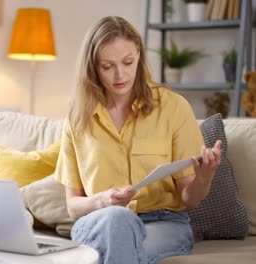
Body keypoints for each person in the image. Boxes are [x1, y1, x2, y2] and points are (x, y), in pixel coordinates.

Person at [54, 16, 221, 264]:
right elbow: (73, 206)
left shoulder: (173, 107)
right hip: (99, 221)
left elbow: (191, 199)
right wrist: (102, 200)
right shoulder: (77, 118)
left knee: (117, 241)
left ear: (139, 57)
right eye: (107, 66)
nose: (120, 74)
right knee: (117, 221)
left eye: (128, 62)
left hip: (164, 224)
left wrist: (205, 176)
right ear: (92, 68)